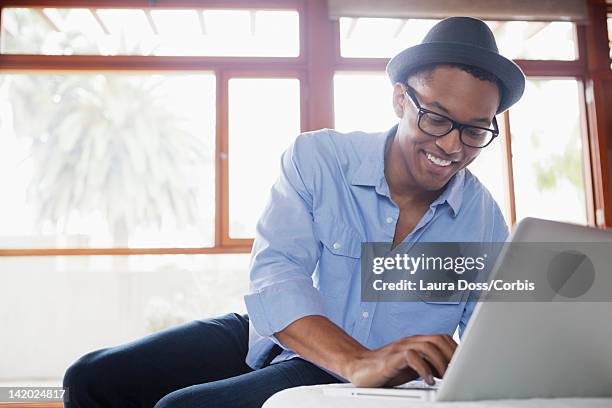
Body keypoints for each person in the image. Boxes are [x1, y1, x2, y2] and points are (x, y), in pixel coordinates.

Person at [62, 16, 525, 408]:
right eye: (437, 119)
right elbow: (277, 276)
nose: (451, 145)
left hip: (353, 378)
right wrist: (357, 360)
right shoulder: (320, 159)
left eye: (474, 131)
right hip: (280, 338)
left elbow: (494, 337)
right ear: (401, 99)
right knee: (90, 378)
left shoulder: (482, 219)